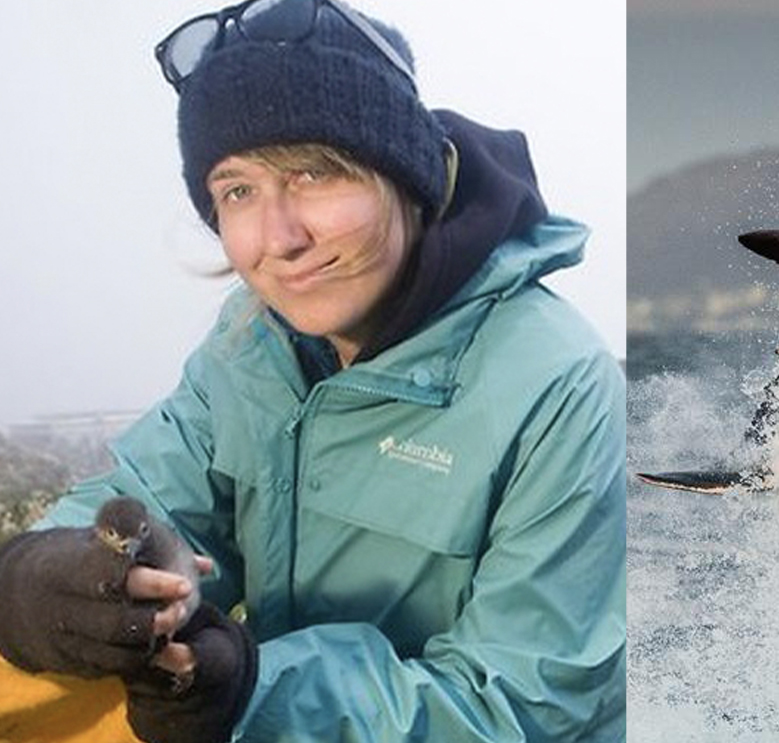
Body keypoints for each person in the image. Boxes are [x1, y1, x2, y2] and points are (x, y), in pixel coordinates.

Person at [0, 0, 626, 741]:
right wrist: (45, 574)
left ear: (408, 176)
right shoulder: (249, 340)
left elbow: (526, 707)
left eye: (314, 173)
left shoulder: (561, 384)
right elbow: (142, 500)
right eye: (237, 190)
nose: (279, 238)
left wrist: (250, 691)